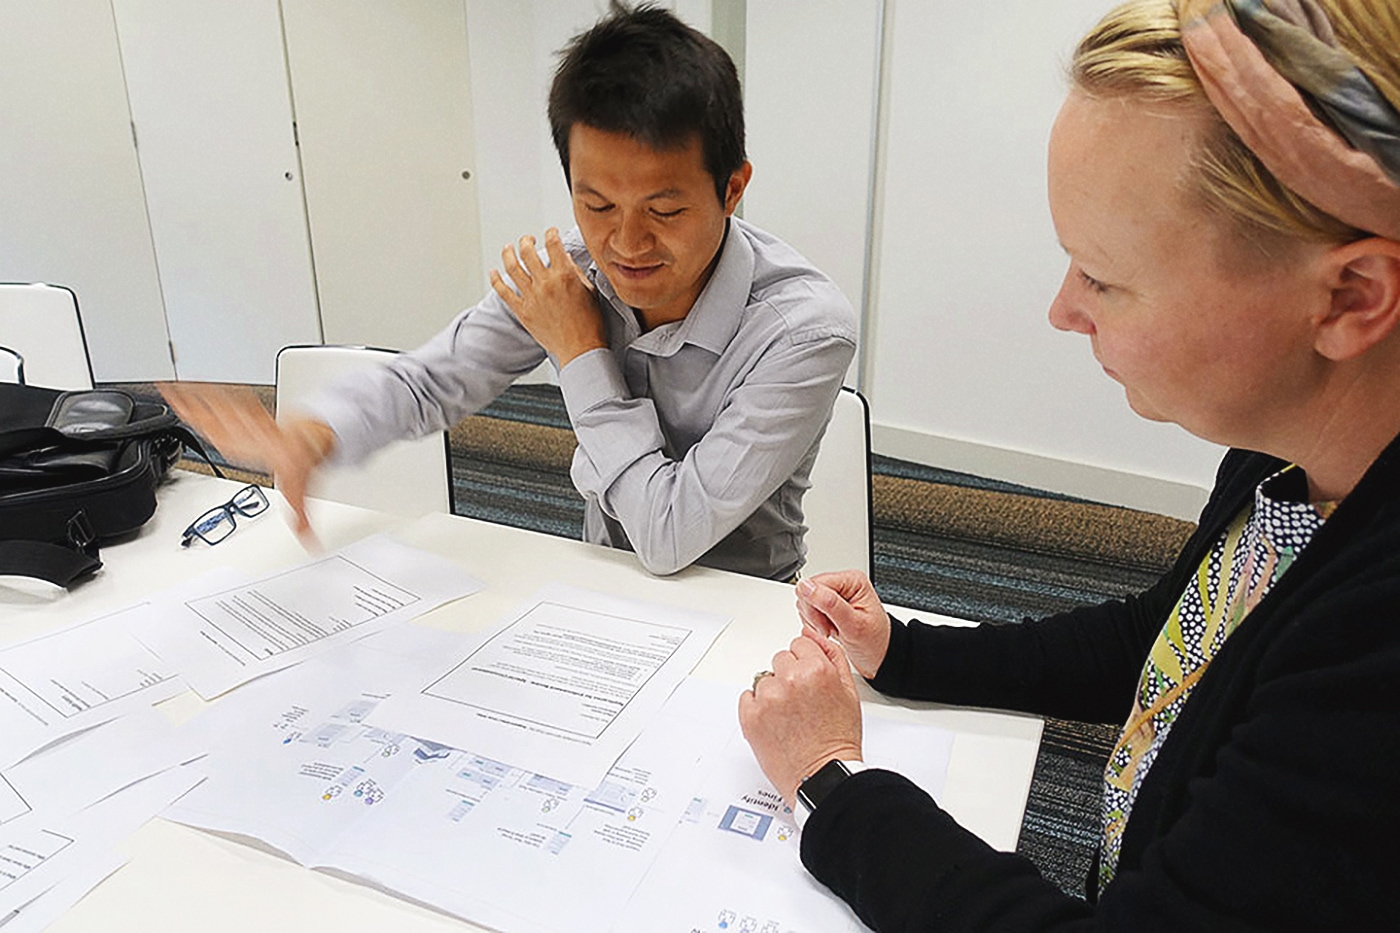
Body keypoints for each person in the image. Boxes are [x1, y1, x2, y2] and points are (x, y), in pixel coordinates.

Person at [740, 0, 1400, 927]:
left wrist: (831, 783)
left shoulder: (1375, 656)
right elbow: (1169, 638)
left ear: (1351, 296)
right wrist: (906, 649)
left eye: (1103, 275)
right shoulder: (1285, 457)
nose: (1062, 309)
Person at [163, 2, 856, 580]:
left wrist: (582, 355)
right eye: (597, 204)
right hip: (599, 571)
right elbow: (431, 380)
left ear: (732, 187)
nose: (627, 244)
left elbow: (671, 535)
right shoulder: (575, 271)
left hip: (738, 603)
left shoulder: (804, 331)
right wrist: (315, 434)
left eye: (665, 210)